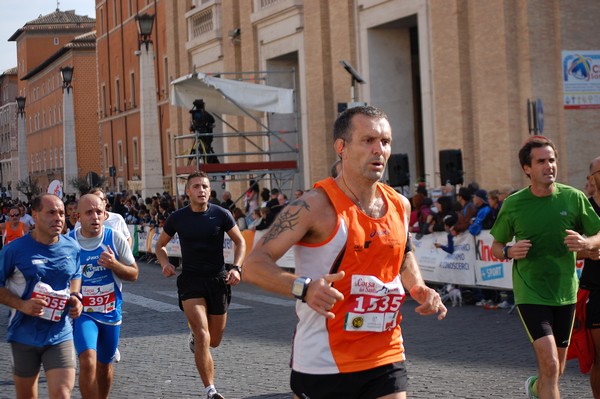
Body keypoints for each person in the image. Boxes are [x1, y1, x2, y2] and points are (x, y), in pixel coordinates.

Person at [243, 105, 447, 399]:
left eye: (385, 142)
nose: (379, 150)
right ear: (342, 147)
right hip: (324, 360)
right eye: (368, 140)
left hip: (384, 350)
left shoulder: (400, 204)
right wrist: (304, 288)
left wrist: (418, 287)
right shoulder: (314, 206)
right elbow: (254, 265)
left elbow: (402, 251)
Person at [490, 135, 600, 399]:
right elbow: (496, 245)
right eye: (541, 161)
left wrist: (586, 242)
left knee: (556, 369)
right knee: (550, 363)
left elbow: (599, 234)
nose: (549, 166)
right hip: (531, 293)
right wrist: (508, 251)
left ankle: (536, 388)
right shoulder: (514, 204)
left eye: (552, 160)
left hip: (565, 292)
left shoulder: (573, 198)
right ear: (527, 168)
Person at [155, 171, 246, 399]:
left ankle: (196, 339)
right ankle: (211, 390)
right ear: (188, 192)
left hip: (218, 280)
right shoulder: (178, 217)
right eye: (196, 186)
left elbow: (240, 241)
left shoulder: (221, 214)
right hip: (191, 281)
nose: (201, 190)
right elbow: (160, 246)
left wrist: (236, 267)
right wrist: (165, 263)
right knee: (203, 335)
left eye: (205, 186)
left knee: (213, 341)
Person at [0, 193, 83, 399]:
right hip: (24, 335)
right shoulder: (15, 250)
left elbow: (76, 274)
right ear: (35, 215)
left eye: (62, 213)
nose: (58, 218)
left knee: (62, 394)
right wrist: (23, 305)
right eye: (51, 212)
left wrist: (75, 297)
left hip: (60, 333)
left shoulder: (71, 247)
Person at [69, 194, 138, 399]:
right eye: (89, 212)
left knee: (104, 364)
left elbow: (134, 273)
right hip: (84, 314)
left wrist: (114, 265)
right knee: (88, 361)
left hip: (110, 312)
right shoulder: (69, 243)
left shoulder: (114, 237)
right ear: (78, 217)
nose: (95, 217)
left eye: (99, 212)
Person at [579, 156, 600, 398]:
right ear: (591, 177)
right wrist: (590, 250)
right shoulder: (584, 208)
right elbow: (571, 248)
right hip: (596, 290)